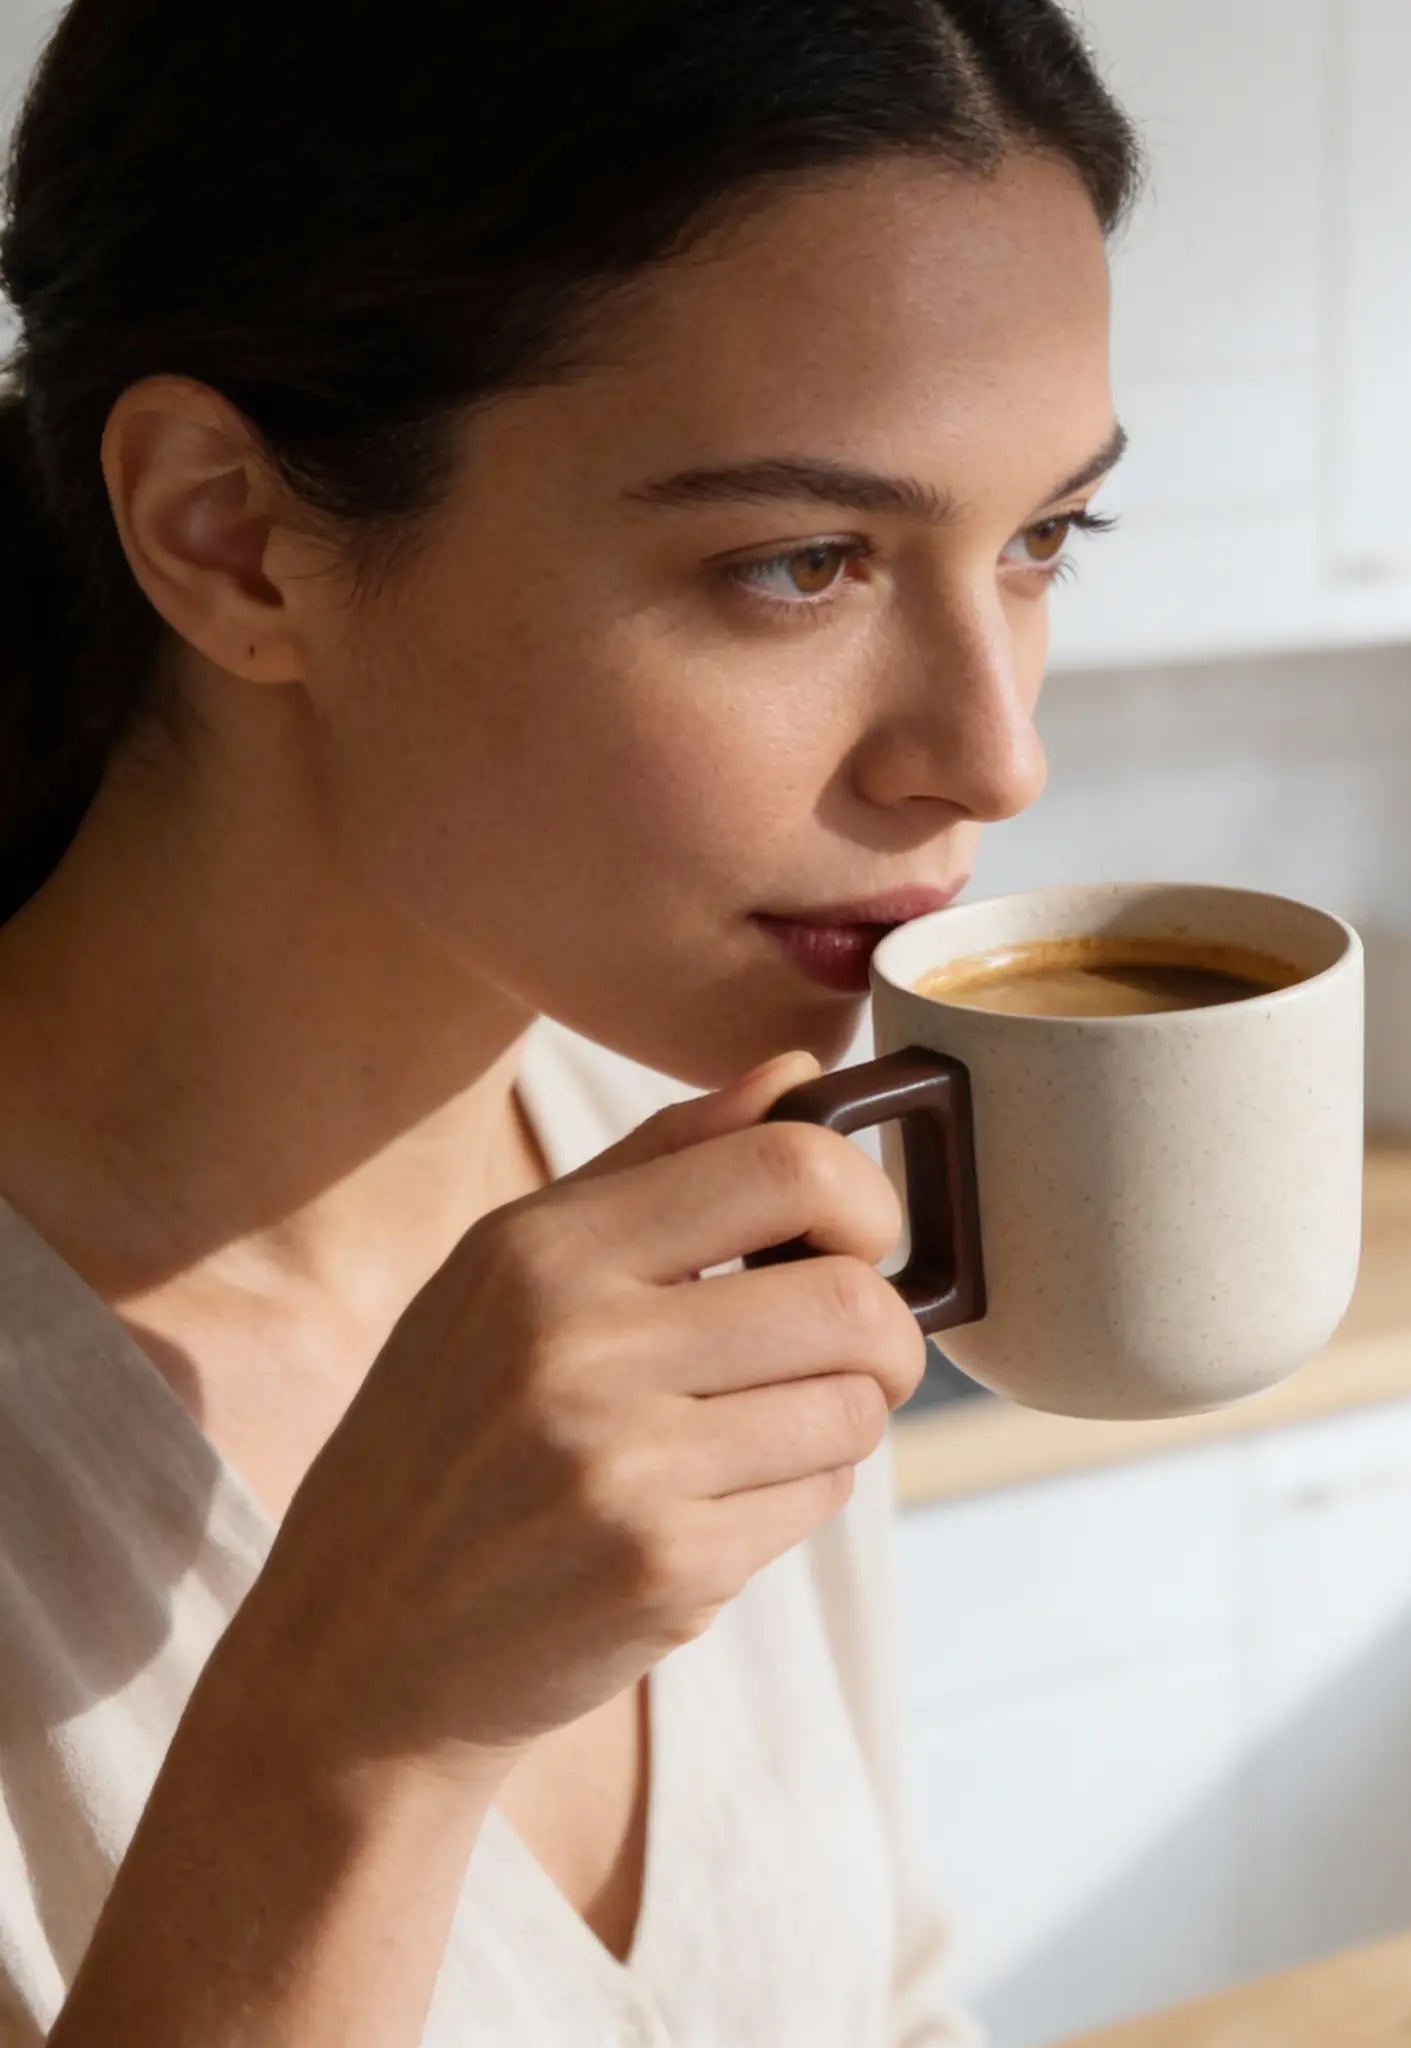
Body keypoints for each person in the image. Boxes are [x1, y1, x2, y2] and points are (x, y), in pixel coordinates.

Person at [0, 1, 1138, 2040]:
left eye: (1043, 537)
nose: (994, 755)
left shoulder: (718, 1179)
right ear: (228, 533)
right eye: (802, 561)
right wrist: (352, 1742)